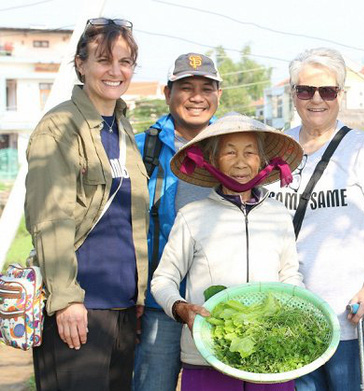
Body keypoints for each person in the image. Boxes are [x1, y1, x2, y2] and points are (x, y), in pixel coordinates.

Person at [24, 18, 149, 391]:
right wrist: (65, 301)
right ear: (81, 64)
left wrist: (136, 295)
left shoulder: (122, 127)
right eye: (104, 60)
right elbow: (50, 218)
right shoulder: (59, 127)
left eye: (125, 62)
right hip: (79, 307)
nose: (115, 71)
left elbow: (129, 220)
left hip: (122, 307)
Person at [267, 47, 364, 391]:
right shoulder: (276, 148)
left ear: (341, 94)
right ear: (293, 95)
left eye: (328, 91)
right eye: (306, 90)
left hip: (347, 314)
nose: (316, 99)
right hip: (287, 313)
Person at [151, 112, 304, 391]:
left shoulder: (278, 213)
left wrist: (288, 318)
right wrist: (181, 308)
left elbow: (290, 275)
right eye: (229, 152)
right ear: (212, 161)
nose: (241, 162)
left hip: (269, 356)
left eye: (249, 152)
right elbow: (163, 280)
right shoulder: (192, 216)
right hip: (207, 354)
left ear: (262, 161)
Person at [133, 52, 223, 391]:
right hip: (160, 305)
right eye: (186, 87)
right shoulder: (143, 149)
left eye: (206, 88)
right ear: (167, 92)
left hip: (219, 303)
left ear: (218, 94)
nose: (197, 97)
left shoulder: (232, 147)